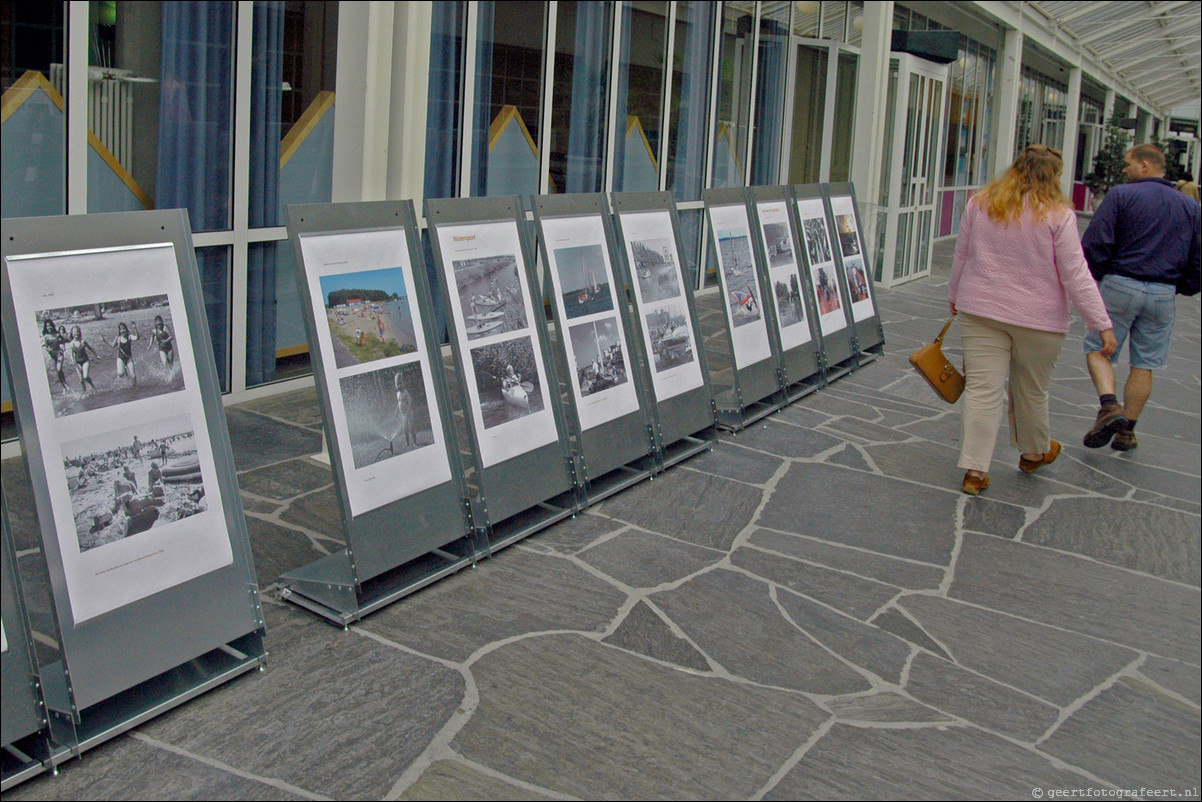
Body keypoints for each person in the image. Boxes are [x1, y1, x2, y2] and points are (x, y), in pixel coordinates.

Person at [949, 144, 1117, 496]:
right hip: (1039, 319)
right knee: (1032, 391)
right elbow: (1075, 273)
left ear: (1016, 168)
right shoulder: (1058, 215)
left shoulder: (980, 204)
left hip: (980, 309)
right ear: (1053, 176)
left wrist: (954, 296)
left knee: (982, 391)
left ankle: (975, 472)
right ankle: (1033, 453)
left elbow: (962, 255)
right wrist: (1099, 322)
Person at [1080, 144, 1201, 451]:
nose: (1124, 169)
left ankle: (1109, 406)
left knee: (1098, 348)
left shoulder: (1121, 195)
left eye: (1128, 164)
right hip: (1162, 292)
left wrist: (1100, 273)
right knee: (1144, 363)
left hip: (1121, 283)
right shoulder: (1191, 207)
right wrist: (1184, 286)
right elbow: (1197, 257)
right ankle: (1126, 431)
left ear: (1145, 165)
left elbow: (1096, 240)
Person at [68, 325, 100, 393]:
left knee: (85, 377)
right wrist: (73, 361)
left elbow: (91, 348)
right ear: (72, 334)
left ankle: (92, 386)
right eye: (74, 332)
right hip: (77, 363)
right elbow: (71, 354)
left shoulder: (83, 341)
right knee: (81, 380)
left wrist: (97, 355)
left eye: (77, 332)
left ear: (79, 332)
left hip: (85, 361)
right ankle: (84, 393)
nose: (76, 333)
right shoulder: (71, 344)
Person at [42, 318, 69, 392]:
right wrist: (49, 350)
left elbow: (63, 340)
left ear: (52, 326)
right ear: (46, 327)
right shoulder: (46, 336)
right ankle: (64, 387)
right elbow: (46, 347)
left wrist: (63, 347)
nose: (49, 327)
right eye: (47, 326)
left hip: (59, 353)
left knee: (59, 369)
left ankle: (66, 385)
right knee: (58, 372)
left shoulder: (57, 334)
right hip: (53, 356)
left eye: (50, 326)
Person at [111, 321, 139, 387]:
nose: (123, 331)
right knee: (121, 373)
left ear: (126, 329)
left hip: (129, 358)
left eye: (124, 329)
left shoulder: (129, 336)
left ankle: (135, 388)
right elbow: (112, 345)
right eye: (121, 330)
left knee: (133, 376)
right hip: (120, 358)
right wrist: (105, 340)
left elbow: (137, 338)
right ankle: (124, 370)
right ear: (119, 331)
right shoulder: (118, 338)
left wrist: (135, 328)